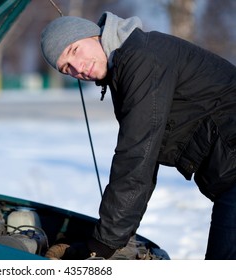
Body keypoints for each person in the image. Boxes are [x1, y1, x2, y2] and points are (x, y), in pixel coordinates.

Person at [40, 12, 236, 260]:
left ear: (94, 34)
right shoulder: (127, 65)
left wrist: (101, 245)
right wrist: (117, 238)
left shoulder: (141, 58)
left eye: (75, 50)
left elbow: (136, 156)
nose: (78, 68)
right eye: (67, 68)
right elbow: (145, 160)